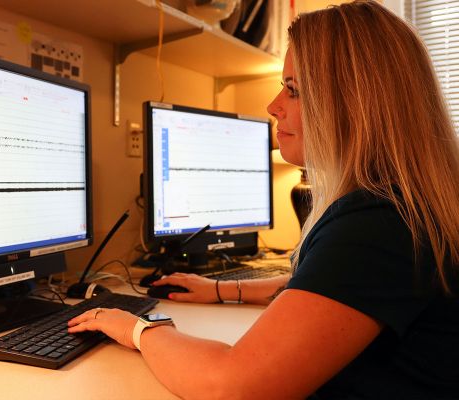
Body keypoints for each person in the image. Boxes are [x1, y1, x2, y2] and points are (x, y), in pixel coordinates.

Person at [68, 1, 459, 398]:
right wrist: (222, 290)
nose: (274, 107)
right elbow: (327, 291)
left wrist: (138, 328)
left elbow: (231, 387)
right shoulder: (406, 206)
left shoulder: (375, 223)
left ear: (355, 104)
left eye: (293, 90)